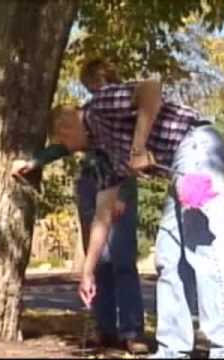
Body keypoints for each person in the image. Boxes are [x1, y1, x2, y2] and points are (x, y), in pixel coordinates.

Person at [39, 79, 224, 359]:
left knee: (204, 250)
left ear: (65, 126)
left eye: (63, 143)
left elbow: (151, 89)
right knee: (168, 258)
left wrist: (138, 149)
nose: (71, 149)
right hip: (179, 165)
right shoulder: (105, 151)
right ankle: (172, 350)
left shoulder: (98, 106)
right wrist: (88, 272)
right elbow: (103, 213)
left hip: (198, 149)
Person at [13, 59, 148, 354]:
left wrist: (123, 193)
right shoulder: (86, 114)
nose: (95, 90)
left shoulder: (126, 111)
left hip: (120, 184)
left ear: (111, 80)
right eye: (91, 87)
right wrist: (34, 162)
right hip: (91, 183)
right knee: (98, 258)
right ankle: (104, 328)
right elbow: (63, 145)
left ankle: (132, 331)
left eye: (99, 84)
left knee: (122, 258)